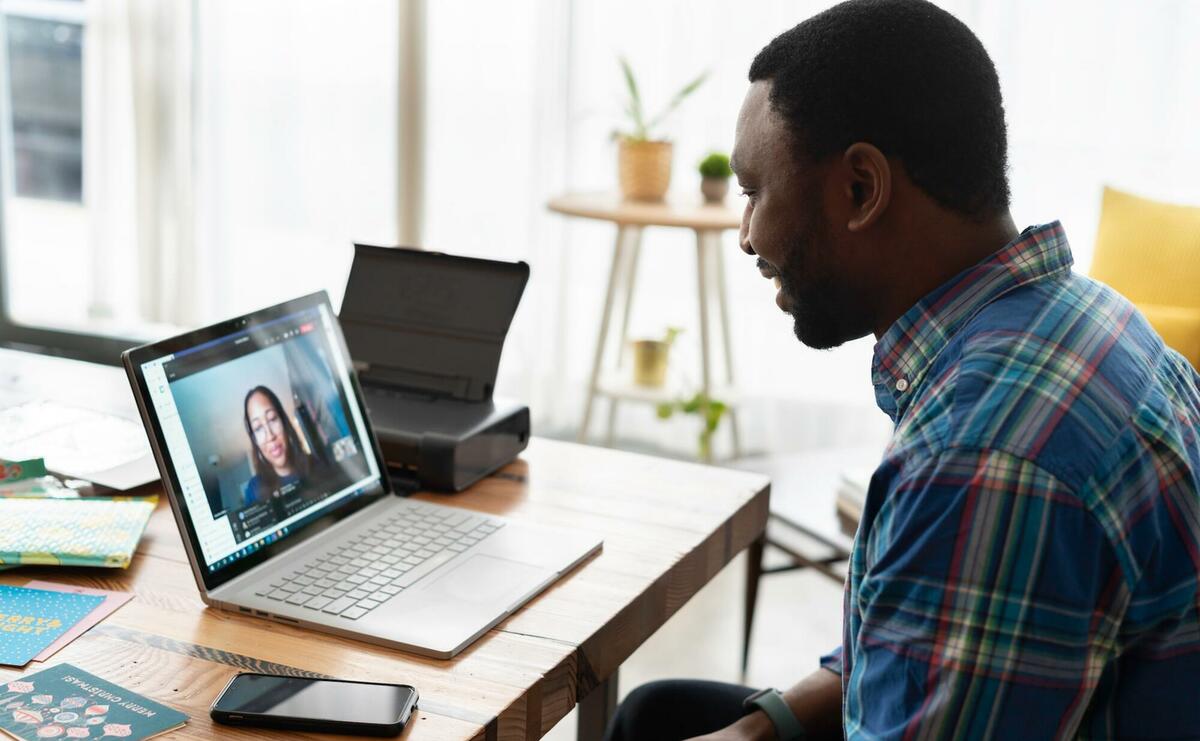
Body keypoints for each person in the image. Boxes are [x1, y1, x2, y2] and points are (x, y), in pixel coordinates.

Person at [606, 1, 1200, 739]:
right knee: (655, 714)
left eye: (756, 192)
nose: (747, 235)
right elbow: (927, 629)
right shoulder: (1086, 319)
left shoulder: (983, 454)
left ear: (861, 188)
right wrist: (762, 728)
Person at [242, 385, 311, 505]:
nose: (270, 436)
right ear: (255, 441)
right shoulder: (254, 490)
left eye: (272, 419)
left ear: (284, 422)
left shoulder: (315, 464)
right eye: (258, 428)